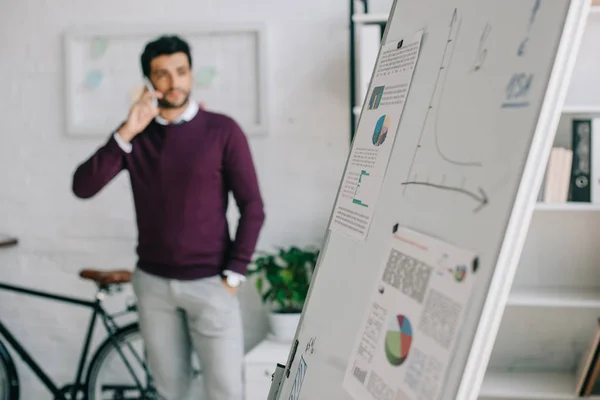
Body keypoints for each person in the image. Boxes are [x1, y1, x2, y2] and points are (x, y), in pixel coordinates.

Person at [71, 35, 265, 400]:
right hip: (154, 285)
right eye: (162, 74)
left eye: (181, 71)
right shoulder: (136, 136)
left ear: (191, 74)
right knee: (169, 391)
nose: (173, 82)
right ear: (149, 81)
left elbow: (253, 206)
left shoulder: (222, 130)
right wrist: (127, 130)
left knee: (225, 391)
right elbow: (83, 186)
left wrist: (234, 276)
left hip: (212, 284)